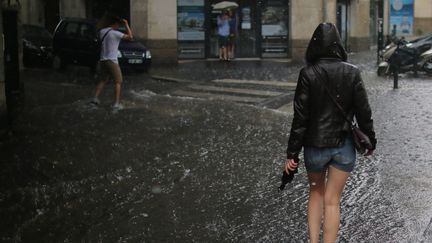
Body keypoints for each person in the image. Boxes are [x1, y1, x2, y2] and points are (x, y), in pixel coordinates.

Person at [284, 23, 376, 243]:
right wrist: (370, 140)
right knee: (333, 200)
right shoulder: (352, 72)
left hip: (314, 148)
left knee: (316, 193)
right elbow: (364, 112)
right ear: (338, 45)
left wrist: (292, 153)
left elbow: (300, 118)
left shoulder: (307, 73)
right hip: (343, 147)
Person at [91, 15, 133, 110]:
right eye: (118, 24)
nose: (118, 26)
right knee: (118, 82)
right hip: (112, 61)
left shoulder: (102, 32)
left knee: (103, 80)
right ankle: (116, 103)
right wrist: (126, 24)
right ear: (114, 24)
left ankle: (95, 98)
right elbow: (130, 37)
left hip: (103, 60)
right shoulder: (115, 33)